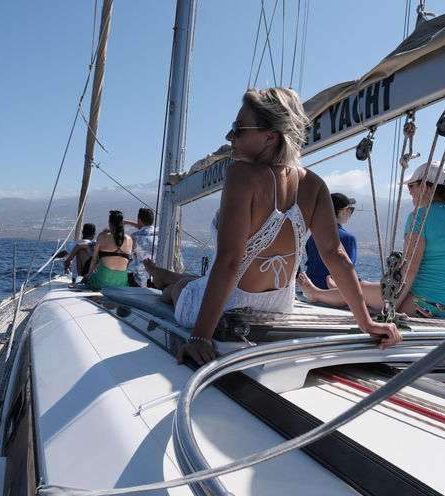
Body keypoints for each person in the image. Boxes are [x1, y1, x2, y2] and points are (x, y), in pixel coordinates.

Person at [144, 87, 401, 366]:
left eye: (238, 128)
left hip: (228, 310)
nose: (229, 136)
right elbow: (336, 255)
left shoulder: (241, 174)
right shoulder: (314, 184)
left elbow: (230, 261)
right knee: (193, 282)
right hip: (280, 309)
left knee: (178, 293)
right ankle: (167, 275)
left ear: (270, 136)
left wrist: (200, 338)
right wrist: (366, 322)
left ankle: (166, 282)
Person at [297, 161, 445, 318]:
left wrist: (391, 306)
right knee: (367, 289)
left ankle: (315, 294)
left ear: (426, 188)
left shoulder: (420, 217)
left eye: (412, 186)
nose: (410, 192)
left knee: (360, 289)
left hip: (426, 307)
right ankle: (335, 290)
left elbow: (411, 269)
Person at [304, 193, 357, 289]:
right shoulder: (349, 239)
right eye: (351, 210)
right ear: (343, 211)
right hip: (333, 294)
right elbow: (349, 272)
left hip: (309, 290)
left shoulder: (312, 238)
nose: (351, 213)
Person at [85, 210, 134, 291]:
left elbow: (94, 259)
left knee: (80, 279)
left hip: (102, 283)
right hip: (121, 285)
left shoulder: (102, 236)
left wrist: (89, 274)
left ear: (109, 222)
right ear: (122, 223)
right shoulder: (130, 240)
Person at [124, 207, 158, 287]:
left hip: (142, 282)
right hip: (159, 281)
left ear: (139, 220)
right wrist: (128, 222)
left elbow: (127, 259)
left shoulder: (135, 237)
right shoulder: (160, 233)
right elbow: (145, 228)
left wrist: (126, 222)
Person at [64, 223, 96, 288]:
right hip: (93, 274)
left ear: (82, 232)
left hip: (76, 278)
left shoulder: (73, 245)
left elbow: (65, 253)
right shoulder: (96, 245)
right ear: (93, 235)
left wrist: (69, 259)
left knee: (79, 250)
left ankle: (79, 281)